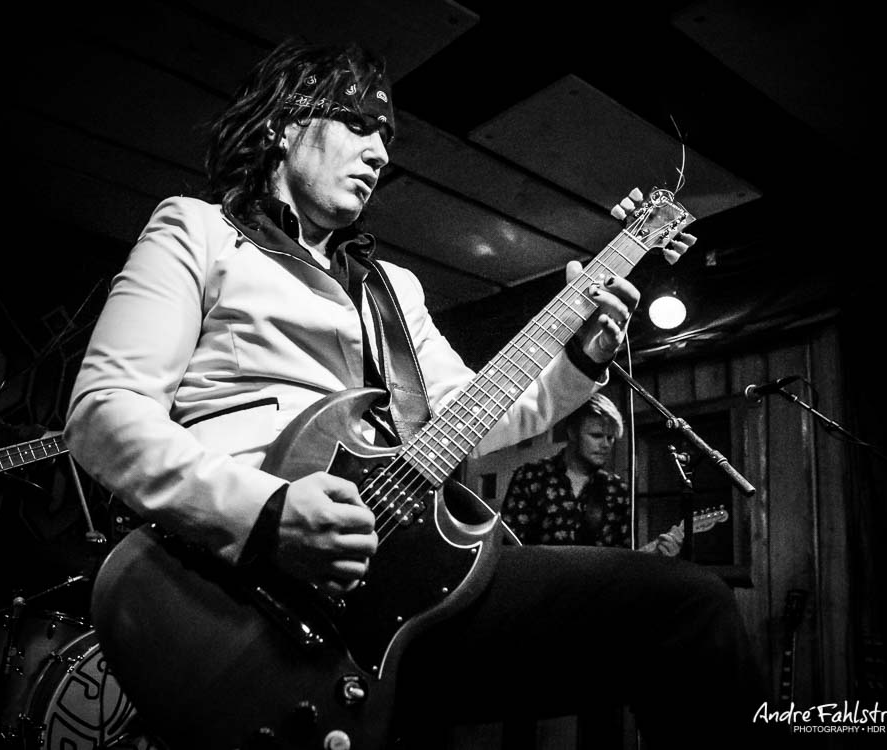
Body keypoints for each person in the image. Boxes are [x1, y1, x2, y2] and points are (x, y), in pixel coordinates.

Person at [64, 38, 768, 748]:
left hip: (405, 581)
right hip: (236, 590)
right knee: (686, 612)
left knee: (688, 613)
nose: (379, 154)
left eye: (386, 138)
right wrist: (268, 512)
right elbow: (104, 411)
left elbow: (478, 411)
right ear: (282, 124)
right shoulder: (198, 230)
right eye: (358, 125)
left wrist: (580, 356)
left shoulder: (393, 288)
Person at [501, 392, 684, 555]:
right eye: (596, 436)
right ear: (572, 433)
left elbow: (622, 560)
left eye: (610, 438)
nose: (605, 444)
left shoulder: (617, 490)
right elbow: (507, 548)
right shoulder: (531, 477)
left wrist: (657, 554)